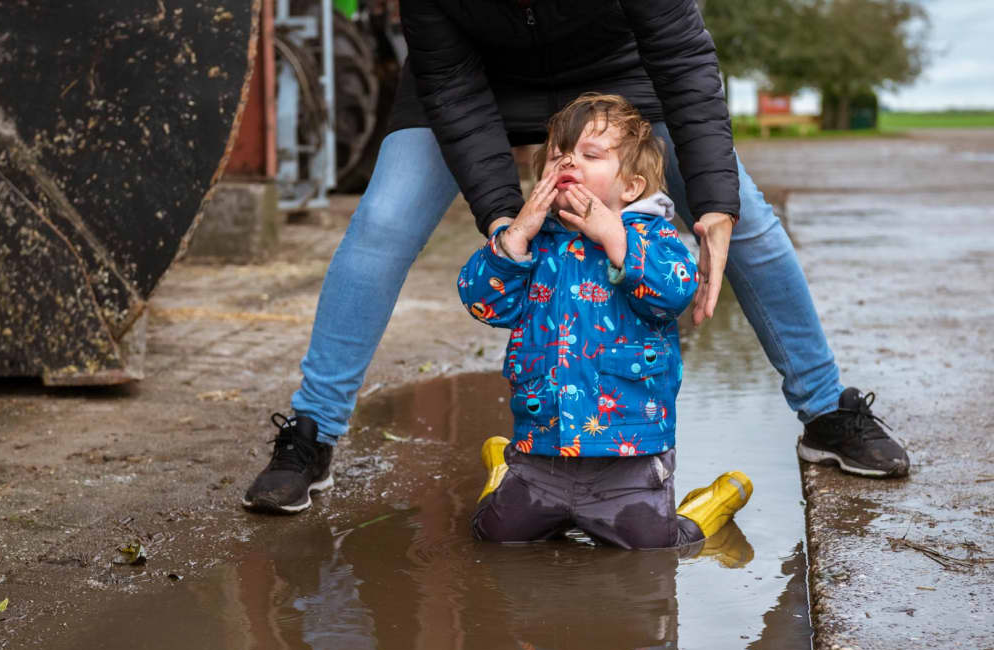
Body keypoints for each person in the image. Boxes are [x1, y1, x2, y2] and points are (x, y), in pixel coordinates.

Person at [242, 0, 909, 515]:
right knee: (381, 221)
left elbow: (680, 57)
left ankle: (825, 409)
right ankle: (313, 430)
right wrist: (507, 216)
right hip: (475, 78)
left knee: (747, 220)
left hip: (619, 72)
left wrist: (713, 204)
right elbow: (450, 85)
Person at [459, 93, 751, 547]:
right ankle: (503, 472)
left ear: (631, 187)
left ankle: (702, 508)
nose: (568, 161)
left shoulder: (653, 237)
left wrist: (614, 236)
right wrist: (516, 231)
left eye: (590, 155)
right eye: (557, 155)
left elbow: (674, 292)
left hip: (628, 458)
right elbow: (482, 304)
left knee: (657, 548)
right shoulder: (535, 242)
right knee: (494, 536)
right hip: (541, 450)